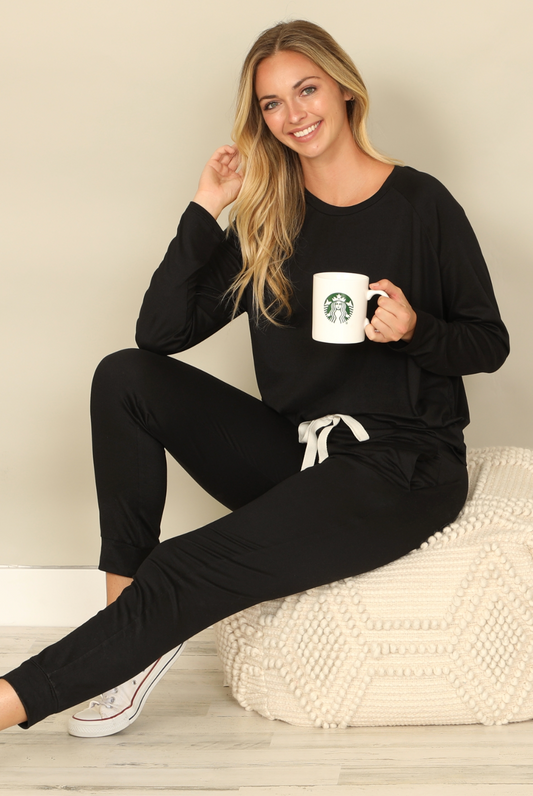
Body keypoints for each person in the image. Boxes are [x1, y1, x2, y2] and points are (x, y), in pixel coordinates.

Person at [0, 19, 509, 735]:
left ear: (344, 89)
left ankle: (14, 700)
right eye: (272, 103)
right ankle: (125, 636)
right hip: (301, 454)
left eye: (306, 90)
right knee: (124, 378)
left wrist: (415, 329)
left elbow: (488, 343)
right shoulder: (270, 218)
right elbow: (159, 335)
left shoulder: (422, 205)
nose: (293, 114)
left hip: (402, 466)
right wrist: (207, 206)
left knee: (183, 565)